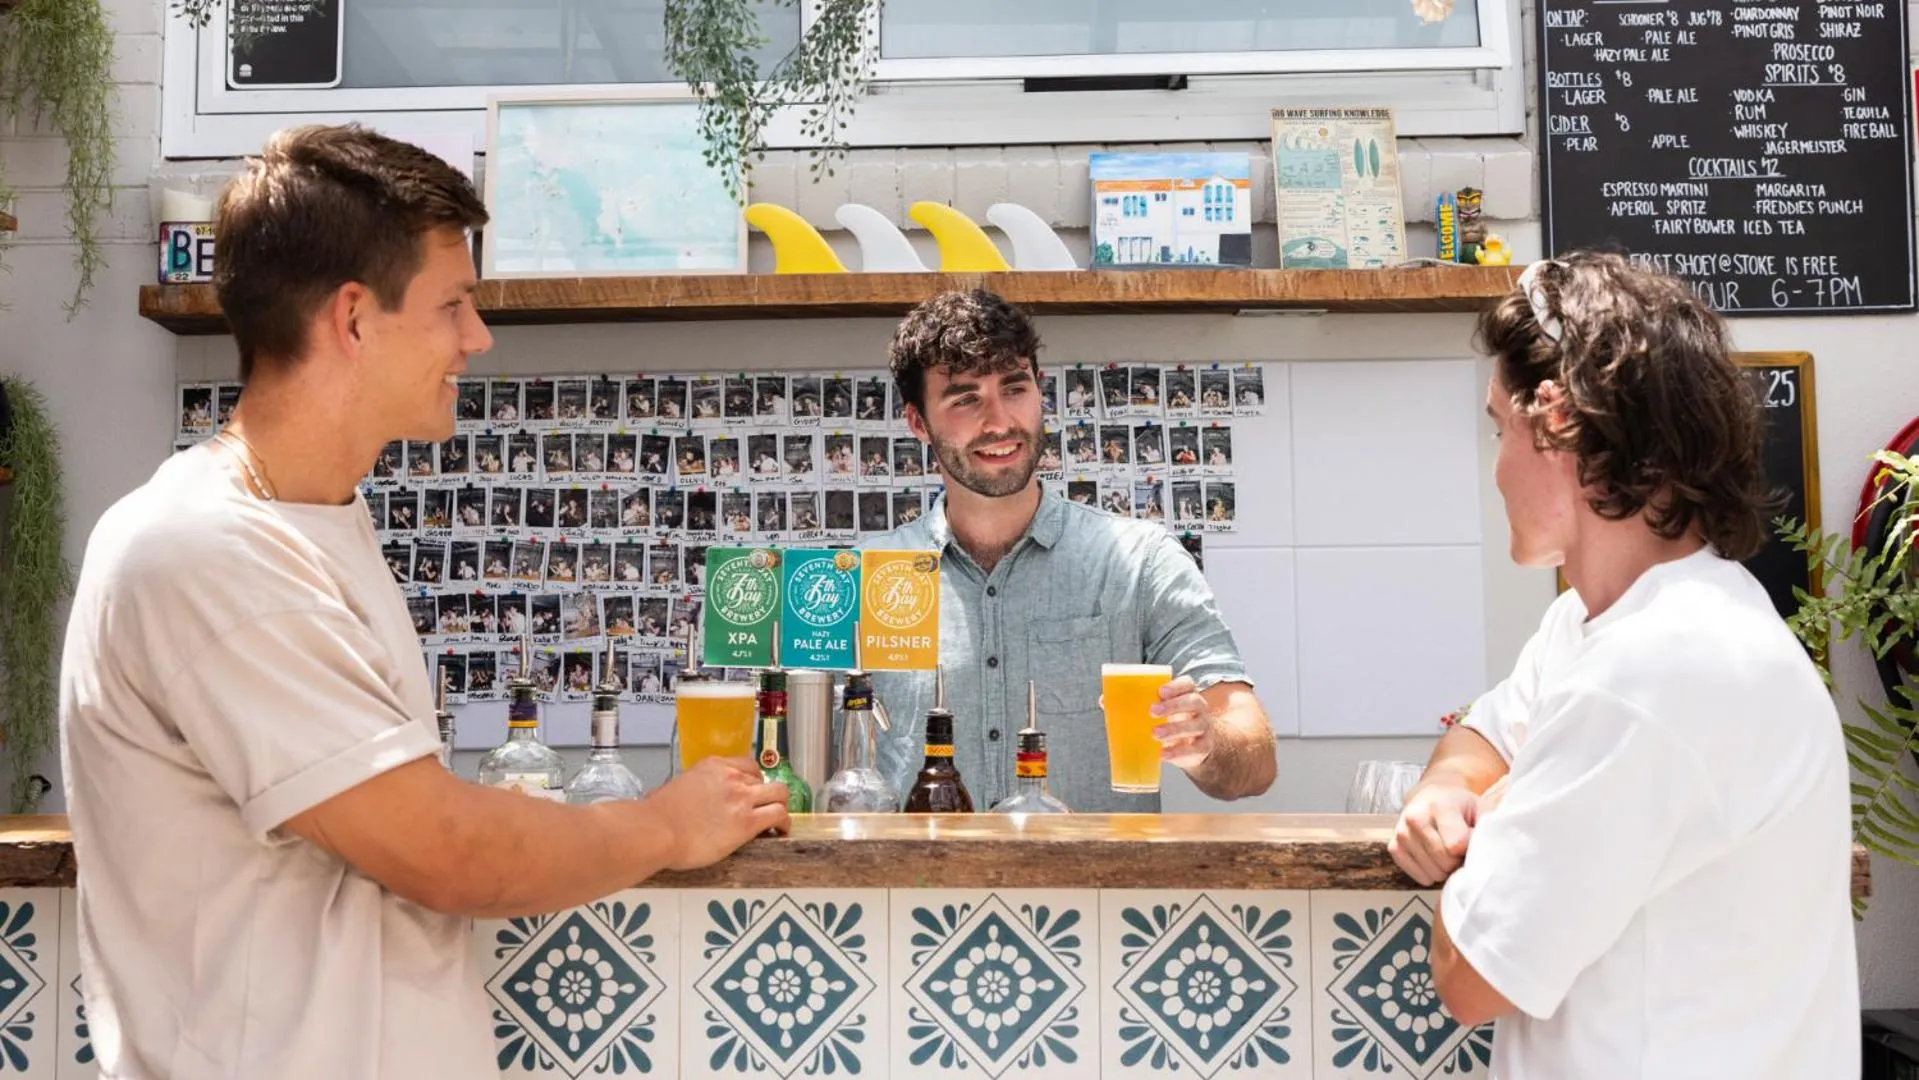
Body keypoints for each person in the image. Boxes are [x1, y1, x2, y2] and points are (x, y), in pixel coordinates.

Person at [57, 125, 792, 1080]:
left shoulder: (317, 521)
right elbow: (441, 851)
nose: (476, 339)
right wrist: (664, 824)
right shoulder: (200, 548)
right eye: (453, 305)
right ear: (353, 319)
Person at [1388, 253, 1857, 1077]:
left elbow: (1468, 980)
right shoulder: (1601, 624)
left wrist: (1498, 807)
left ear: (1558, 426)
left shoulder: (1652, 671)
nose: (1495, 466)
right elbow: (1480, 734)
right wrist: (1445, 791)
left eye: (1499, 427)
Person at [864, 290, 1276, 812]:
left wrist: (1205, 742)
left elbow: (1256, 764)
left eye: (1015, 388)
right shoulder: (862, 578)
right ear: (917, 421)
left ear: (1041, 396)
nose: (999, 421)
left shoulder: (1140, 560)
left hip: (1096, 891)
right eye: (965, 398)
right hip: (916, 892)